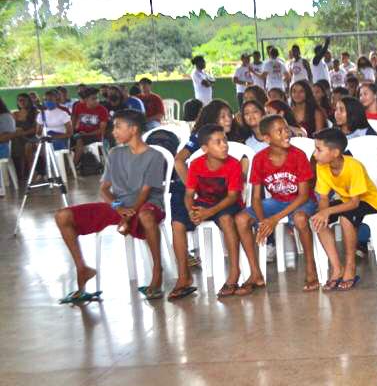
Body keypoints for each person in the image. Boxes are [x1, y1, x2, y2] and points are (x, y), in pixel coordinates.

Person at [54, 110, 166, 301]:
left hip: (147, 205)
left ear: (134, 129)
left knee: (145, 216)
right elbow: (104, 189)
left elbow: (145, 192)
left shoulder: (154, 156)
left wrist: (129, 214)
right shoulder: (115, 153)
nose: (113, 132)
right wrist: (118, 208)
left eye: (118, 127)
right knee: (62, 216)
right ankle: (82, 268)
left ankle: (157, 270)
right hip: (120, 206)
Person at [235, 114, 318, 293]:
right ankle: (255, 273)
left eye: (286, 129)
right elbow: (256, 198)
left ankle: (311, 269)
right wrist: (263, 221)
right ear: (267, 138)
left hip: (301, 202)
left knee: (300, 219)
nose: (286, 133)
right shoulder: (259, 159)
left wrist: (274, 219)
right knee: (241, 219)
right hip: (277, 201)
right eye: (279, 131)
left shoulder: (298, 155)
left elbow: (304, 195)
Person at [169, 124, 245, 300]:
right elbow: (189, 194)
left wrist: (209, 213)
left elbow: (233, 197)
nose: (224, 145)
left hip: (227, 203)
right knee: (178, 224)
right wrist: (192, 211)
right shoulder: (196, 164)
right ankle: (184, 276)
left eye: (225, 140)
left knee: (226, 220)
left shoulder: (233, 164)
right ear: (205, 149)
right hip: (204, 202)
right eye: (218, 142)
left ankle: (234, 272)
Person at [310, 128, 377, 291]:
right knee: (318, 220)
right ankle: (337, 268)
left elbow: (355, 203)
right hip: (345, 201)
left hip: (368, 201)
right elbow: (323, 198)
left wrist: (327, 212)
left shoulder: (353, 166)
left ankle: (350, 266)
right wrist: (323, 214)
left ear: (335, 153)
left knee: (345, 218)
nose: (315, 154)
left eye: (319, 150)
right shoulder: (322, 166)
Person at [70, 87, 109, 167]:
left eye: (97, 98)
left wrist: (86, 134)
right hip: (79, 134)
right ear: (86, 100)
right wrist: (73, 130)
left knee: (79, 140)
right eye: (93, 99)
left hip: (94, 136)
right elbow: (73, 118)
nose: (96, 100)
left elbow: (102, 130)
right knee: (68, 140)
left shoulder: (103, 110)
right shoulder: (79, 106)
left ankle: (73, 166)